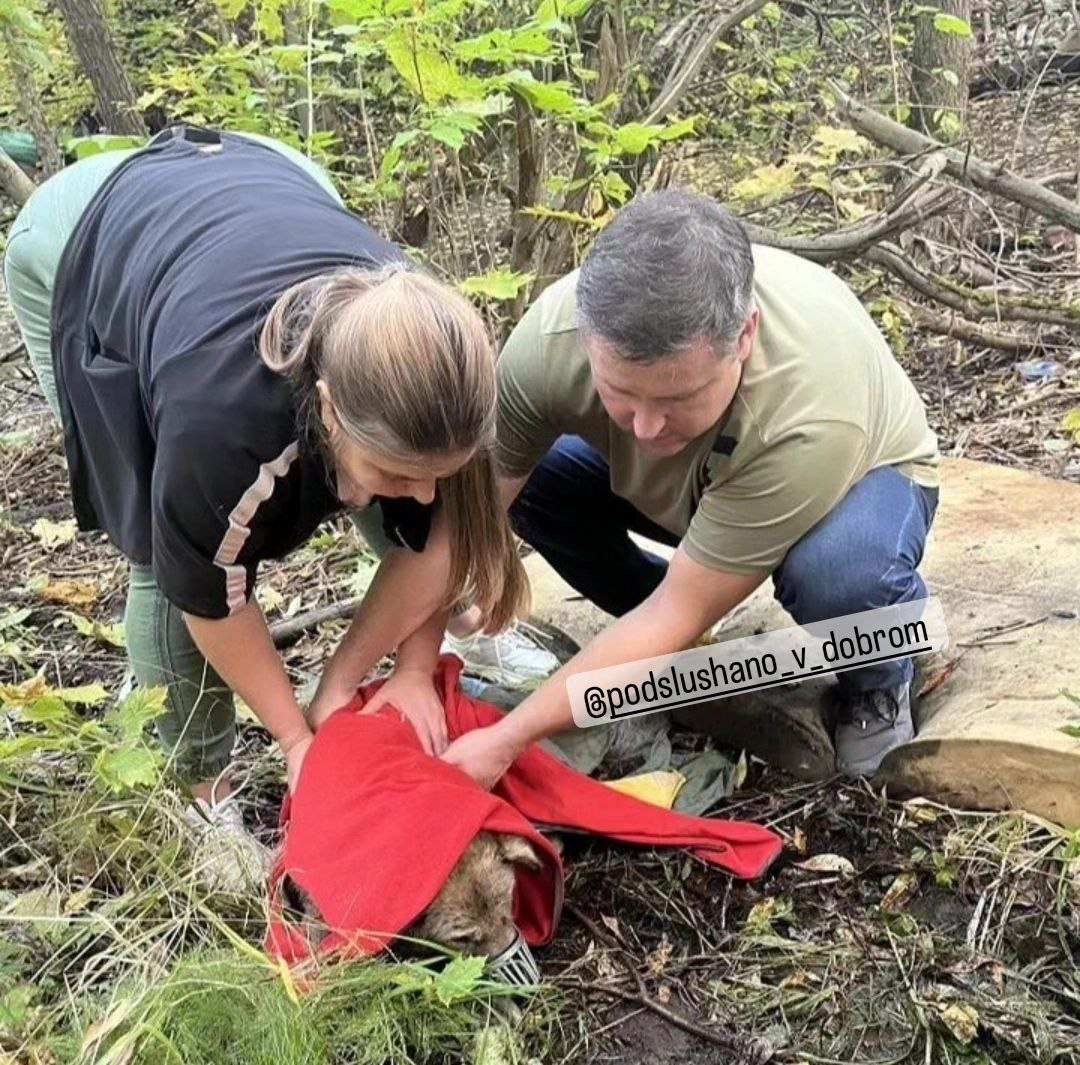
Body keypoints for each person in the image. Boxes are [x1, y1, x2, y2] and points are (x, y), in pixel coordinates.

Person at [2, 123, 553, 888]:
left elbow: (435, 528)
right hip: (79, 244)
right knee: (162, 555)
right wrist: (299, 740)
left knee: (405, 486)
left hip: (260, 178)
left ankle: (455, 621)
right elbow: (212, 593)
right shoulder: (220, 427)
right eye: (400, 470)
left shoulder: (435, 359)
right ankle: (200, 785)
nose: (427, 493)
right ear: (327, 408)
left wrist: (416, 667)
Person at [359, 188, 941, 788]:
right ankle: (657, 639)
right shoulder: (552, 341)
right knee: (529, 481)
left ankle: (881, 677)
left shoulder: (810, 417)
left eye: (676, 398)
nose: (644, 427)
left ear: (743, 338)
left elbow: (677, 611)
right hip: (696, 489)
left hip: (861, 478)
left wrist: (508, 738)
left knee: (840, 576)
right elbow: (465, 523)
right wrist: (415, 665)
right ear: (588, 340)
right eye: (620, 393)